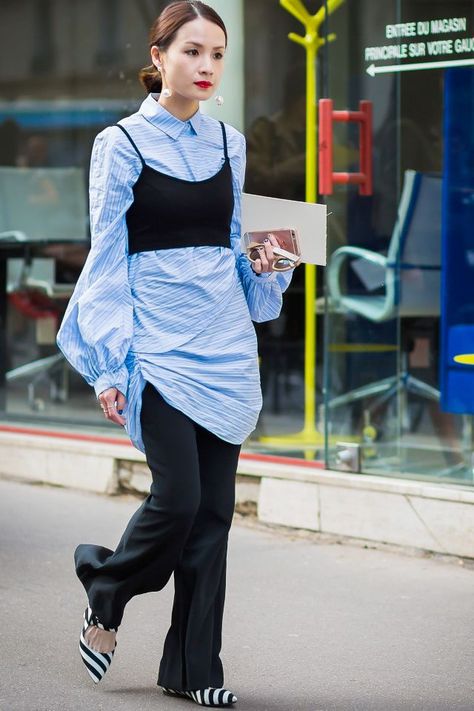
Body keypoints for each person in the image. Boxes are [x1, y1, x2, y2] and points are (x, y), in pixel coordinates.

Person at [57, 1, 295, 707]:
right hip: (155, 347)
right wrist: (107, 363)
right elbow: (106, 257)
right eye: (192, 51)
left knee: (214, 514)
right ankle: (108, 585)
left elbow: (232, 247)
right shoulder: (121, 144)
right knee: (180, 498)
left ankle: (196, 668)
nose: (206, 66)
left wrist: (271, 263)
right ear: (158, 56)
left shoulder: (229, 142)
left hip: (223, 344)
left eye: (217, 54)